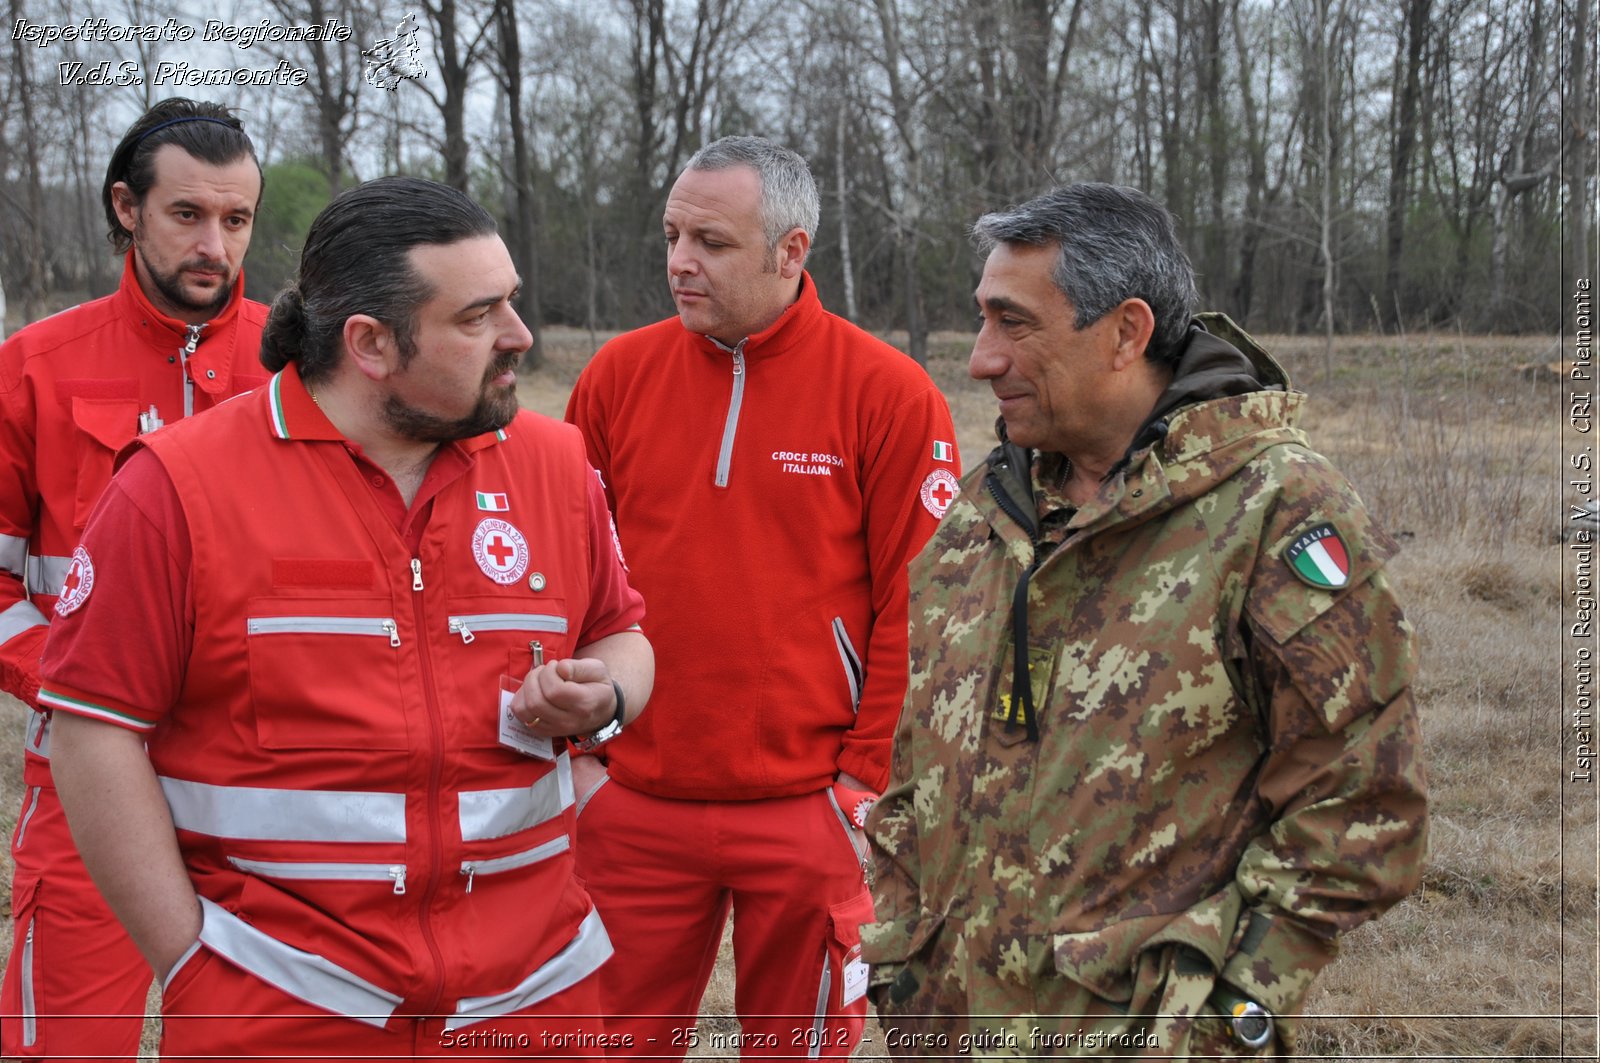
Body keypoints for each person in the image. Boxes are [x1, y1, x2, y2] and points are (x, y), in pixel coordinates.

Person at [41, 176, 654, 1058]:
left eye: (510, 303)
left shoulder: (555, 465)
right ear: (368, 342)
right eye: (478, 316)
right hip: (283, 1006)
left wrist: (609, 697)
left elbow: (622, 632)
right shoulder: (178, 488)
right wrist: (190, 961)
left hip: (534, 1000)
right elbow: (93, 731)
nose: (521, 337)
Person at [862, 183, 1429, 1056]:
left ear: (1126, 333)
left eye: (1014, 324)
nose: (980, 359)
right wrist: (897, 950)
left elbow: (1365, 804)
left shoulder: (1273, 510)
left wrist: (1230, 1014)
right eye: (982, 320)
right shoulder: (984, 511)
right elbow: (919, 764)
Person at [564, 135, 959, 1057]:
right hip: (633, 799)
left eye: (711, 241)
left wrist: (861, 785)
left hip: (808, 804)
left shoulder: (886, 393)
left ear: (791, 251)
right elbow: (566, 576)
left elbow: (922, 606)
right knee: (603, 1042)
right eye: (670, 235)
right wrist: (583, 761)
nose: (678, 262)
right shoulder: (618, 378)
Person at [0, 97, 270, 1062]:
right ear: (126, 206)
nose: (214, 244)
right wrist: (80, 695)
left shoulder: (303, 368)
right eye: (186, 215)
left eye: (236, 220)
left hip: (268, 784)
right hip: (89, 783)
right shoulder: (32, 367)